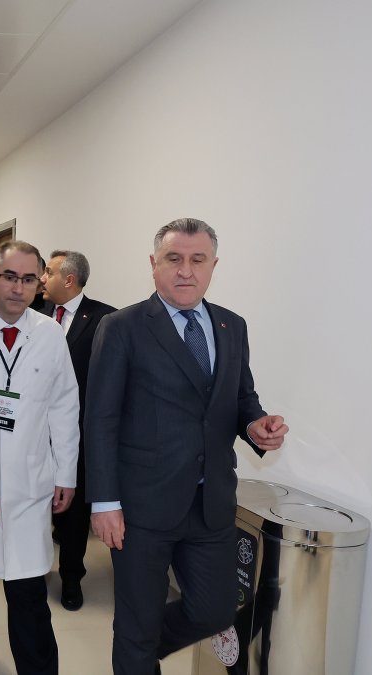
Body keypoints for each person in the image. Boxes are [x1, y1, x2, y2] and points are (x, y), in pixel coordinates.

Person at [86, 218, 289, 675]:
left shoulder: (231, 326)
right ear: (154, 265)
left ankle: (138, 652)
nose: (185, 270)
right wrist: (105, 501)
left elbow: (240, 398)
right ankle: (136, 653)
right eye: (174, 259)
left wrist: (256, 425)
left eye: (198, 260)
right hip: (140, 508)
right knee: (136, 623)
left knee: (214, 611)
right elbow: (100, 419)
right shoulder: (123, 327)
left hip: (211, 503)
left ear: (213, 266)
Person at [0, 241, 79, 675]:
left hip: (29, 484)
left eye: (28, 279)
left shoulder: (49, 335)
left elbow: (64, 407)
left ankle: (38, 668)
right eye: (9, 277)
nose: (18, 288)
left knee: (27, 591)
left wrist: (66, 472)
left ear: (39, 284)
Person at [39, 250, 117, 611]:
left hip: (80, 433)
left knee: (73, 514)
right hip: (36, 432)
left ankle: (71, 577)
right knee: (37, 505)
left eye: (48, 272)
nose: (41, 278)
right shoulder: (35, 315)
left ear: (68, 279)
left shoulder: (105, 319)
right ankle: (35, 570)